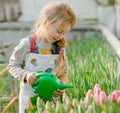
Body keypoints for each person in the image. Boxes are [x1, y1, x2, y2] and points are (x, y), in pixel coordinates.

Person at [7, 1, 76, 113]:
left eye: (63, 33)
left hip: (52, 102)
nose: (60, 36)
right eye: (59, 31)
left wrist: (61, 85)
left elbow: (64, 72)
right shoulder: (27, 45)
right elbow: (12, 66)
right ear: (46, 22)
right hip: (29, 100)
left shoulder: (59, 48)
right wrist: (26, 75)